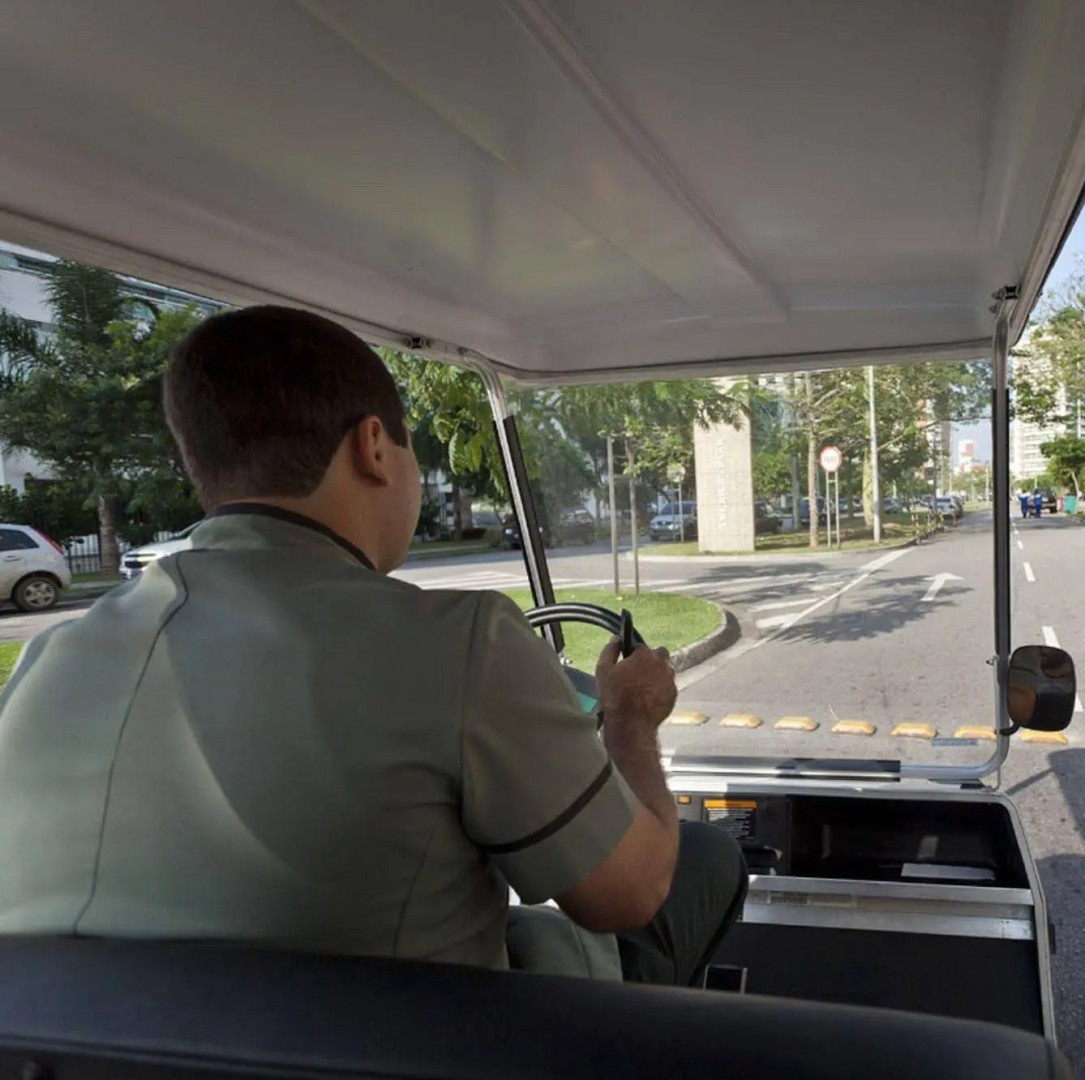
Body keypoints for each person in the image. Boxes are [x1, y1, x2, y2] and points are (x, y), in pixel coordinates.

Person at [0, 306, 744, 986]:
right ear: (375, 447)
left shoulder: (48, 661)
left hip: (91, 1049)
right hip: (400, 1049)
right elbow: (628, 893)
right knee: (699, 859)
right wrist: (630, 726)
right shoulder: (460, 641)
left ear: (199, 464)